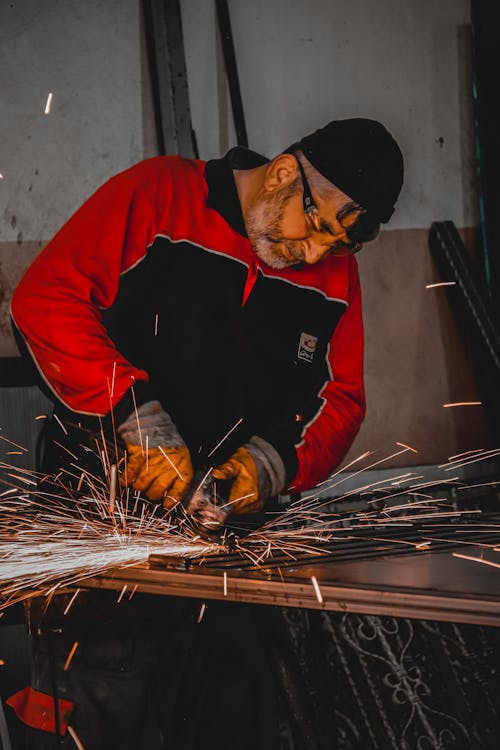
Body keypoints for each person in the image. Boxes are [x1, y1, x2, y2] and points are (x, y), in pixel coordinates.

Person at [9, 118, 404, 749]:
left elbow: (343, 400)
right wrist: (132, 413)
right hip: (104, 551)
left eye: (338, 246)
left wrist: (271, 465)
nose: (314, 256)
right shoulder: (160, 194)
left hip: (233, 568)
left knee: (232, 724)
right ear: (283, 173)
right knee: (93, 726)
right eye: (317, 226)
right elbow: (45, 300)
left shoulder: (331, 270)